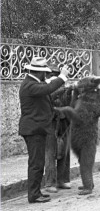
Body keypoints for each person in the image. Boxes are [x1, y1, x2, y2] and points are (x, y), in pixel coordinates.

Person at [18, 57, 69, 203]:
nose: (46, 75)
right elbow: (46, 89)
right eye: (45, 73)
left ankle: (36, 192)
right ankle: (33, 195)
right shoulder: (30, 85)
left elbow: (46, 92)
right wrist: (62, 77)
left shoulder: (32, 83)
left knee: (37, 162)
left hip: (36, 129)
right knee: (36, 163)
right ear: (39, 72)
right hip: (33, 129)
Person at [44, 65, 73, 194]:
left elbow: (69, 103)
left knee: (65, 152)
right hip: (50, 123)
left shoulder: (65, 88)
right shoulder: (45, 88)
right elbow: (48, 100)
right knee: (50, 152)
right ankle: (50, 182)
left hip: (64, 122)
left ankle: (63, 180)